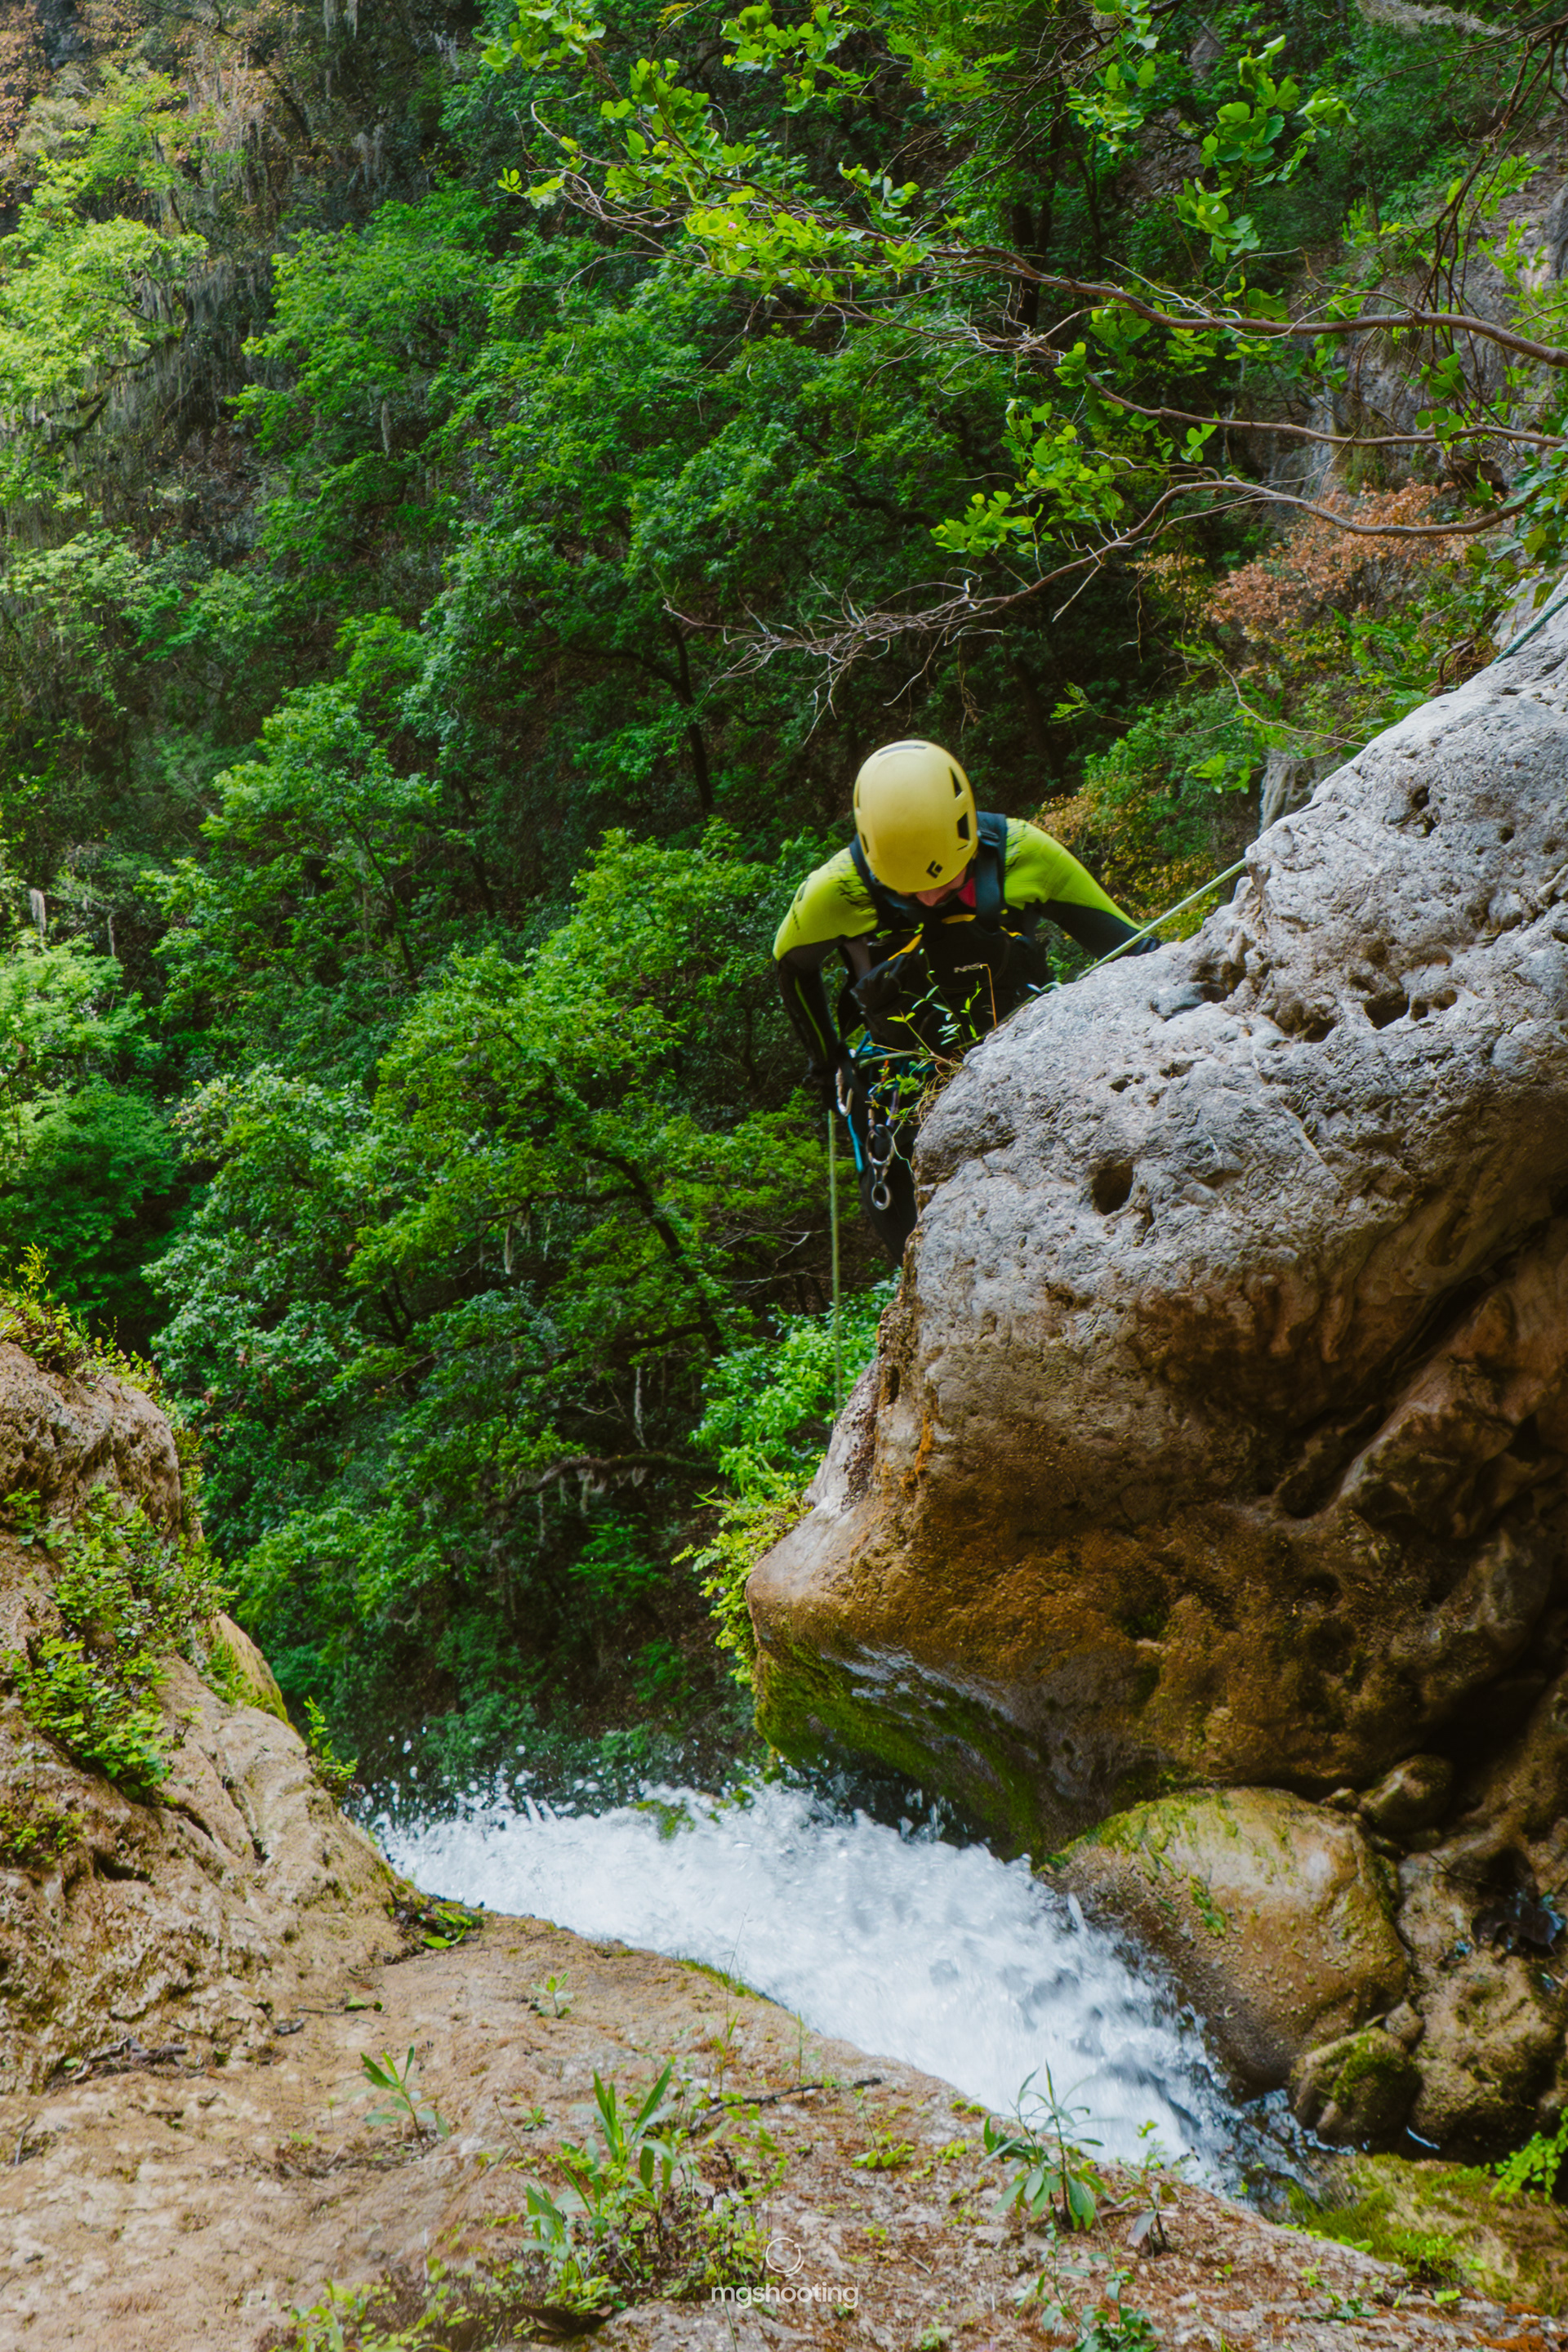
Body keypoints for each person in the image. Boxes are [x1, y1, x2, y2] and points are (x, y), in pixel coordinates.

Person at [773, 737, 1155, 1262]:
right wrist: (828, 1062)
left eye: (947, 883)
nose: (930, 898)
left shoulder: (1023, 855)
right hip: (901, 1093)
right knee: (914, 1243)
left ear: (969, 835)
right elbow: (792, 966)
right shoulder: (838, 890)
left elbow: (1136, 952)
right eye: (910, 892)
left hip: (1031, 1073)